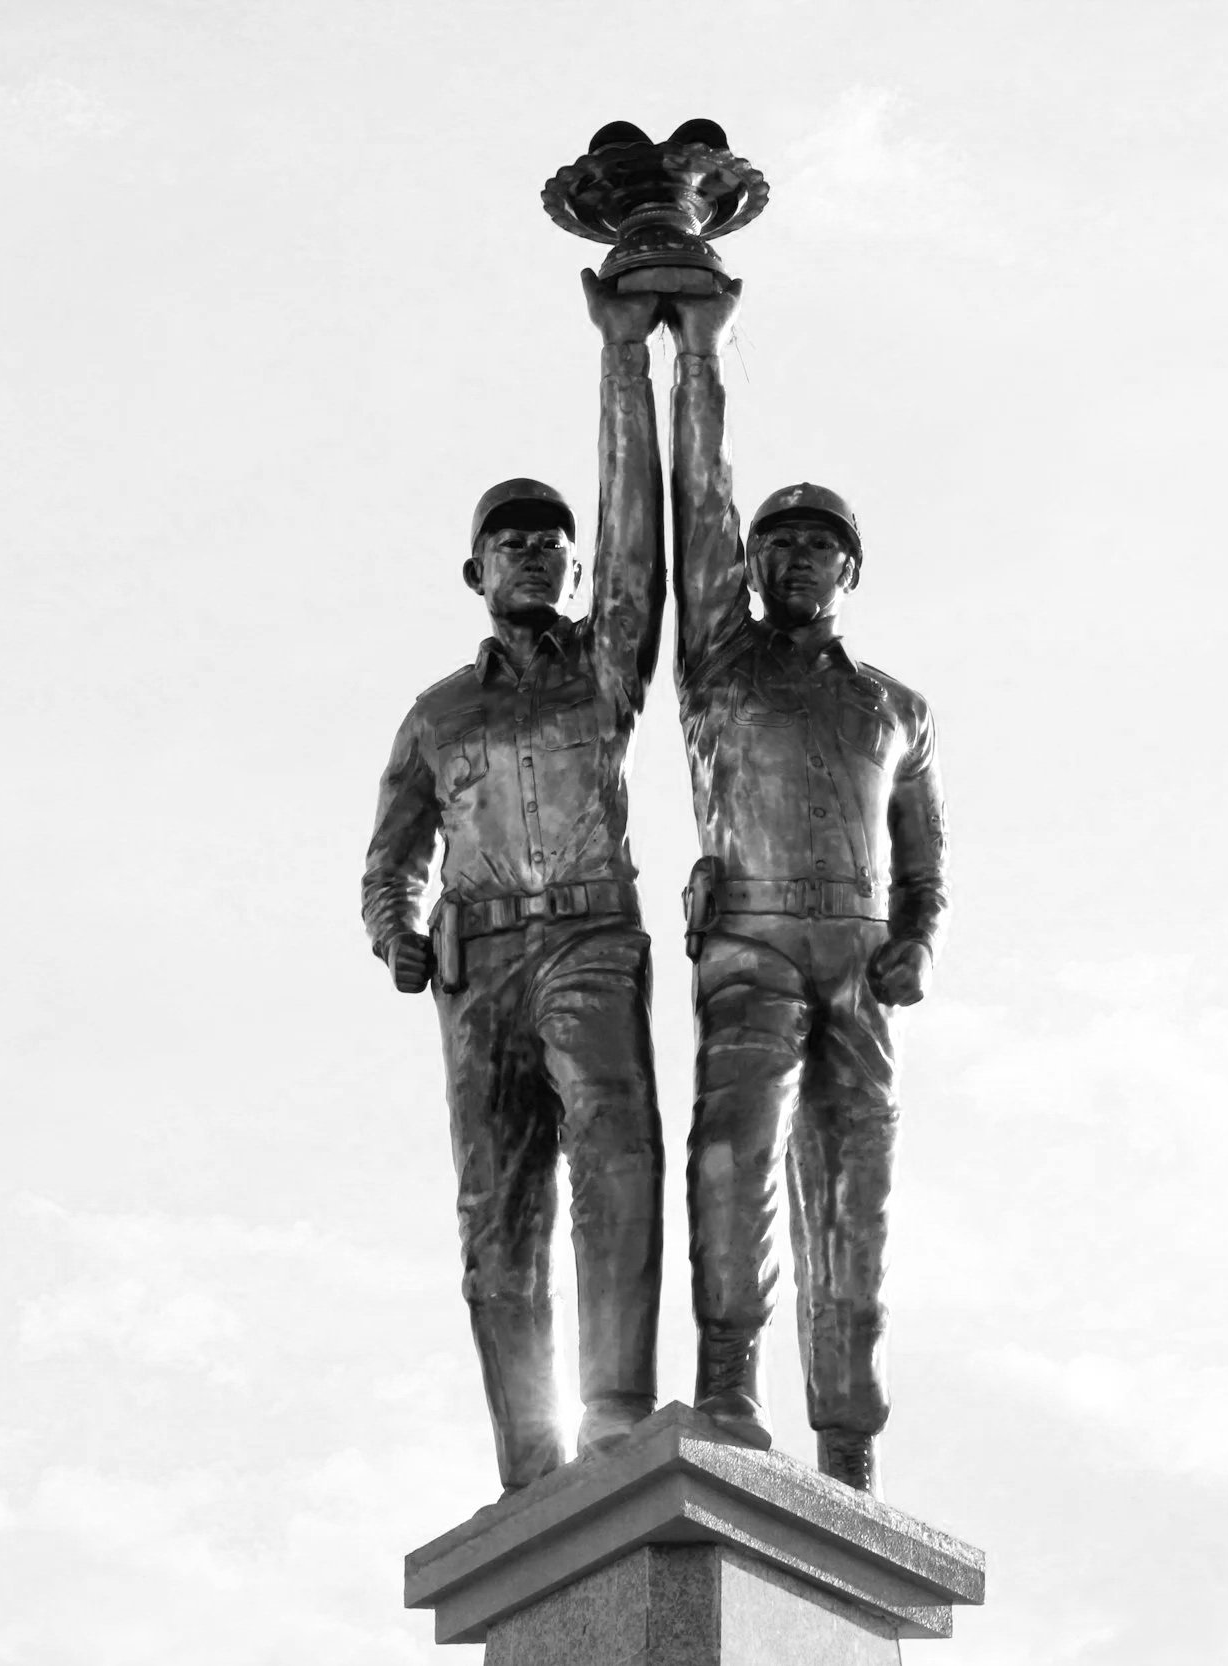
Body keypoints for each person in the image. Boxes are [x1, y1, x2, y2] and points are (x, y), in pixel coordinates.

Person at [360, 275, 668, 1496]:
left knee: (616, 1141)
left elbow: (638, 536)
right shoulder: (438, 711)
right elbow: (391, 851)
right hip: (475, 962)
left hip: (591, 934)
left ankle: (614, 1411)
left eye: (552, 539)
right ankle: (527, 1466)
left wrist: (621, 363)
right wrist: (393, 932)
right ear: (474, 567)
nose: (536, 550)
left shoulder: (605, 668)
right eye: (512, 539)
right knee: (498, 1214)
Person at [662, 282, 949, 1496]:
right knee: (731, 1158)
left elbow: (924, 852)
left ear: (850, 569)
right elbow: (699, 499)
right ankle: (728, 1379)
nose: (793, 557)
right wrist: (699, 355)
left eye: (817, 543)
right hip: (755, 946)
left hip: (858, 960)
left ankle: (850, 1434)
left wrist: (918, 937)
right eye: (775, 543)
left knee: (856, 1197)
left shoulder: (896, 706)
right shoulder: (718, 660)